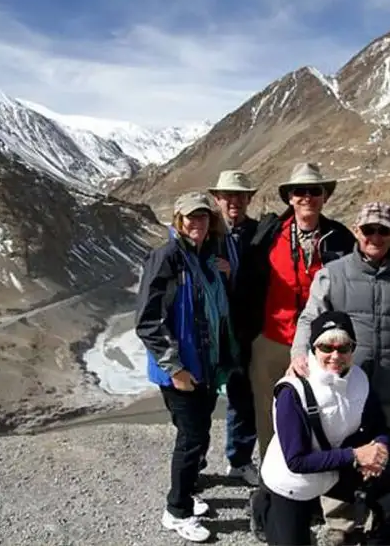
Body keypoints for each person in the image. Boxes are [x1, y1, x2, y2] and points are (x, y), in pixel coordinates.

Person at [291, 201, 390, 487]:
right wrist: (298, 355)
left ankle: (389, 519)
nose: (376, 237)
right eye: (369, 229)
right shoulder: (333, 273)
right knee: (340, 451)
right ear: (356, 230)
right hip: (342, 384)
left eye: (383, 230)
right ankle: (341, 523)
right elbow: (309, 318)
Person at [253, 311, 390, 545]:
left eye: (344, 348)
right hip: (293, 479)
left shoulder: (359, 378)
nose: (335, 355)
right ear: (314, 348)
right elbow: (297, 461)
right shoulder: (291, 391)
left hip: (336, 467)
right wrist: (357, 455)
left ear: (353, 349)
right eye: (326, 347)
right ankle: (264, 505)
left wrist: (380, 448)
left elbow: (378, 424)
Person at [135, 191, 239, 542]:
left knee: (199, 433)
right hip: (181, 370)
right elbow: (148, 321)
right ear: (178, 221)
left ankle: (188, 493)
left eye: (204, 217)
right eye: (190, 217)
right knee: (191, 438)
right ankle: (176, 511)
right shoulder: (167, 258)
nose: (197, 223)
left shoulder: (206, 258)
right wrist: (175, 370)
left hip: (206, 366)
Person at [235, 162, 355, 460]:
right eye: (299, 191)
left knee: (321, 412)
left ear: (324, 196)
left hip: (321, 346)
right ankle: (272, 482)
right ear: (290, 197)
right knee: (268, 414)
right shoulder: (269, 234)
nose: (306, 197)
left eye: (314, 191)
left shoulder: (340, 238)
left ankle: (317, 479)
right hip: (271, 339)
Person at [208, 169, 260, 486]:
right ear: (218, 199)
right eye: (228, 196)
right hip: (211, 331)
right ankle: (194, 464)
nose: (234, 202)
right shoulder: (205, 231)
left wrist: (235, 277)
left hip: (245, 330)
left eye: (240, 196)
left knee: (244, 397)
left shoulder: (259, 233)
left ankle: (239, 459)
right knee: (201, 400)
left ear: (249, 199)